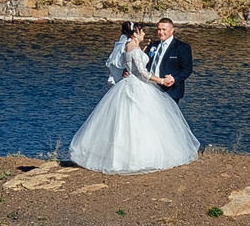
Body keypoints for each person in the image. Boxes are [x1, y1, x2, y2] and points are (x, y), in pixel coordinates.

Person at [69, 17, 200, 174]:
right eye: (159, 29)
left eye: (164, 29)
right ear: (135, 33)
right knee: (141, 123)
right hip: (146, 87)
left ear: (172, 30)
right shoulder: (151, 45)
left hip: (168, 90)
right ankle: (142, 157)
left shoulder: (182, 47)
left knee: (165, 125)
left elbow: (187, 69)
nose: (160, 32)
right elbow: (140, 68)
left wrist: (174, 79)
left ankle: (164, 153)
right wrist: (133, 72)